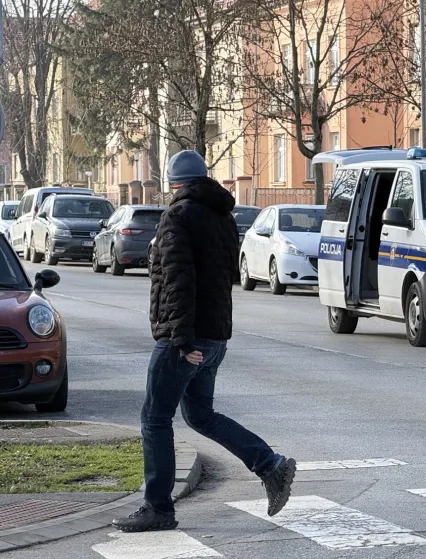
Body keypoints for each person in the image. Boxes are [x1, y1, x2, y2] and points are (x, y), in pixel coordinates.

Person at [113, 151, 297, 533]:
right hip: (214, 335)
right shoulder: (223, 217)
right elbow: (224, 277)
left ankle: (158, 508)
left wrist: (181, 340)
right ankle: (270, 465)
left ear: (172, 182)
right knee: (200, 415)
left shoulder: (177, 217)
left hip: (185, 338)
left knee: (154, 419)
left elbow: (178, 280)